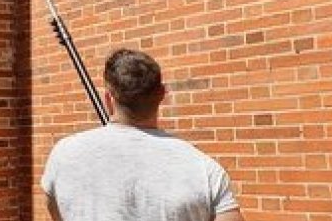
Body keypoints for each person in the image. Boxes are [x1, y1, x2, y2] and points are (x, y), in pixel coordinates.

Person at [41, 48, 244, 221]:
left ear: (108, 99)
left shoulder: (63, 154)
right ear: (162, 94)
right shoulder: (206, 171)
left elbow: (56, 210)